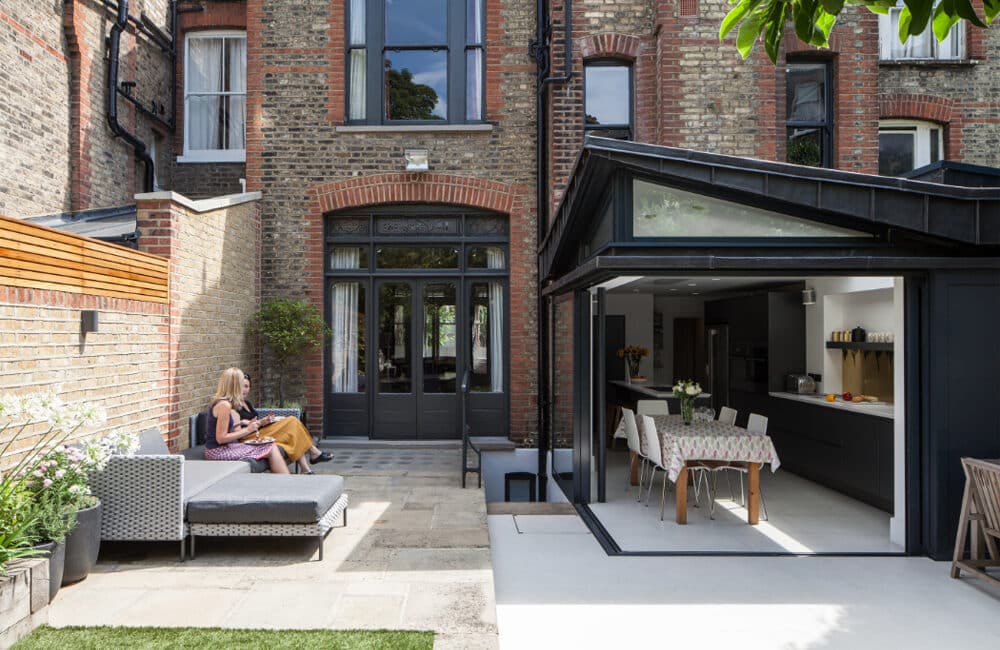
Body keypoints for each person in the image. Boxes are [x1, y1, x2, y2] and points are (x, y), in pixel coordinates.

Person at [236, 372, 332, 474]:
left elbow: (255, 422)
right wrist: (245, 422)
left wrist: (265, 421)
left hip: (259, 432)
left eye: (247, 386)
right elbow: (236, 427)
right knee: (292, 421)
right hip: (249, 438)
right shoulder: (233, 405)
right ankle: (313, 453)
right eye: (243, 386)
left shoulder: (247, 403)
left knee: (293, 428)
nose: (245, 389)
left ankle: (306, 468)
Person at [205, 368, 289, 473]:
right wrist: (248, 430)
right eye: (241, 382)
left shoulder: (223, 402)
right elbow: (221, 438)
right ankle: (286, 483)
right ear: (235, 385)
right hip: (217, 452)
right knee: (271, 448)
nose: (244, 387)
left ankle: (283, 481)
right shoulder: (224, 405)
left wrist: (256, 423)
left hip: (224, 448)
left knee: (270, 445)